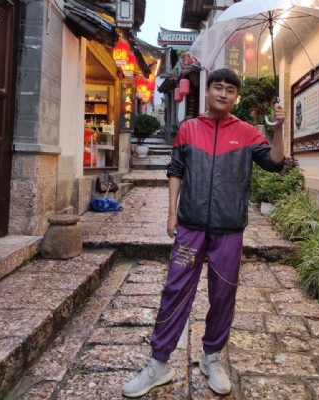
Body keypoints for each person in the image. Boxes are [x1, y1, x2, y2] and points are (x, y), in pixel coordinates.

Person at [122, 68, 286, 398]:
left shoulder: (247, 133)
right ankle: (158, 363)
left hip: (229, 231)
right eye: (218, 87)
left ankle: (212, 358)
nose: (223, 94)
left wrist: (279, 127)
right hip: (190, 228)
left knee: (223, 295)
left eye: (230, 90)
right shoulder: (188, 129)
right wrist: (172, 213)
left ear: (236, 96)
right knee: (175, 289)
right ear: (207, 91)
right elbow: (175, 170)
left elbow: (274, 162)